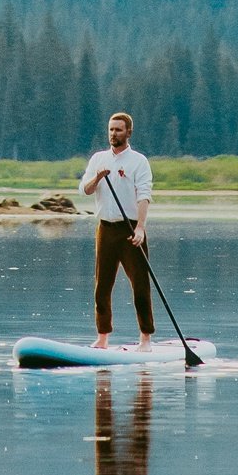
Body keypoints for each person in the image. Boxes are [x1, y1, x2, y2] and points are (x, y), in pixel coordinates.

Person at [78, 111, 155, 349]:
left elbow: (144, 196)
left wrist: (141, 228)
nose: (113, 134)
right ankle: (102, 338)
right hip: (106, 229)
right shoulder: (98, 159)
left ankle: (145, 338)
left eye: (118, 130)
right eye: (111, 129)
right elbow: (85, 190)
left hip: (131, 229)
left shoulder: (138, 161)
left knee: (140, 285)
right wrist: (98, 178)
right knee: (102, 286)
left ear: (128, 132)